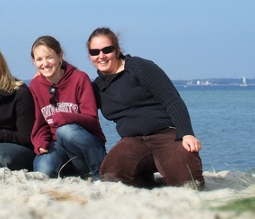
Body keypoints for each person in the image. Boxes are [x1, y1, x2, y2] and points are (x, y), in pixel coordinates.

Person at [86, 27, 205, 189]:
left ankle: (174, 166)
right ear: (90, 55)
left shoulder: (138, 67)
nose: (101, 56)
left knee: (188, 183)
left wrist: (186, 133)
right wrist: (48, 76)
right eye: (95, 52)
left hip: (166, 134)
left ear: (117, 49)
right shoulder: (96, 87)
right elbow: (71, 93)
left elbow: (172, 100)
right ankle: (148, 180)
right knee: (111, 177)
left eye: (107, 50)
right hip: (132, 141)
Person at [29, 35, 106, 180]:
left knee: (66, 130)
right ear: (34, 62)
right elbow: (39, 124)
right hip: (57, 147)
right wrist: (40, 142)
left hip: (85, 147)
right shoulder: (35, 85)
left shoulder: (79, 78)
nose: (45, 63)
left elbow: (92, 120)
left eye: (49, 57)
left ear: (59, 56)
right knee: (43, 170)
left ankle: (101, 174)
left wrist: (65, 117)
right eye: (39, 59)